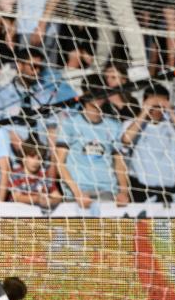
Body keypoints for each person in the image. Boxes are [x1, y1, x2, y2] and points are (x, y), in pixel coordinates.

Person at [55, 76, 130, 208]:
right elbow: (60, 163)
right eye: (94, 92)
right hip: (79, 193)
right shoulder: (70, 123)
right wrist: (77, 193)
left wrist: (123, 192)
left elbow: (119, 163)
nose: (98, 97)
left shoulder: (114, 126)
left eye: (101, 92)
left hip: (107, 192)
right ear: (85, 94)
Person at [121, 83, 175, 202]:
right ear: (144, 103)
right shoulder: (131, 124)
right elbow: (126, 139)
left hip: (170, 192)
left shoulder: (173, 126)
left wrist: (171, 112)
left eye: (160, 106)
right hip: (142, 192)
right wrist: (145, 110)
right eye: (153, 106)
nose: (156, 110)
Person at [9, 136, 62, 208]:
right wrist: (37, 199)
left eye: (39, 158)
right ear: (23, 157)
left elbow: (58, 196)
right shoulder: (16, 175)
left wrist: (50, 201)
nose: (36, 161)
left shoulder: (44, 176)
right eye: (32, 156)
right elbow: (17, 197)